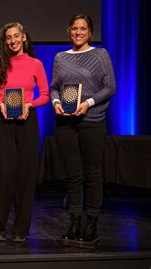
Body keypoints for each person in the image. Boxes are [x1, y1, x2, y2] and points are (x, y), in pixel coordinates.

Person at [51, 14, 116, 248]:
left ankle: (92, 224)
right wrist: (57, 103)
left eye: (83, 29)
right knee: (73, 175)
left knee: (93, 174)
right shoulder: (60, 57)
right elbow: (55, 88)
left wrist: (87, 103)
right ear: (69, 31)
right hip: (66, 123)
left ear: (89, 32)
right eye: (74, 28)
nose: (78, 32)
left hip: (92, 120)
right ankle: (75, 221)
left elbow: (110, 86)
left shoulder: (100, 55)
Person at [0, 22, 50, 242]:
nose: (12, 41)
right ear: (4, 41)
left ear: (24, 38)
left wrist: (29, 105)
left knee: (26, 175)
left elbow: (45, 94)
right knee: (4, 174)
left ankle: (21, 228)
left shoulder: (36, 64)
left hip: (27, 120)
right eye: (8, 38)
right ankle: (0, 225)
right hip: (3, 120)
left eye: (16, 36)